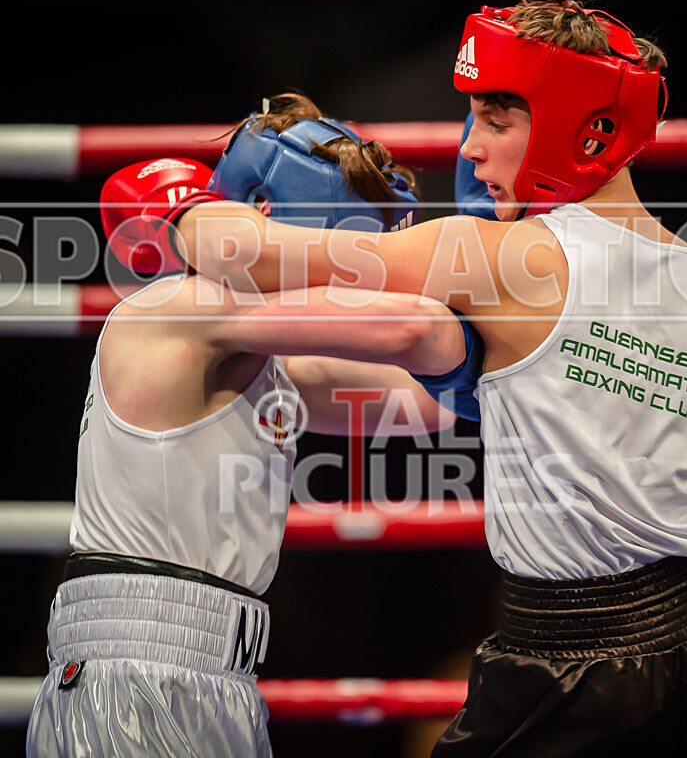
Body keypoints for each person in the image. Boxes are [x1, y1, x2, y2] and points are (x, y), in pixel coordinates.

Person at [131, 0, 687, 753]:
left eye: (497, 119)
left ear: (587, 128)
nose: (470, 148)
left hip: (563, 666)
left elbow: (260, 258)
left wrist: (179, 207)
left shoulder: (499, 258)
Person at [25, 95, 479, 757]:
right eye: (347, 244)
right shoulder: (183, 307)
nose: (357, 274)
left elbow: (433, 400)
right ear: (276, 222)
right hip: (135, 676)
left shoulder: (269, 362)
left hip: (216, 676)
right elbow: (406, 325)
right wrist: (470, 257)